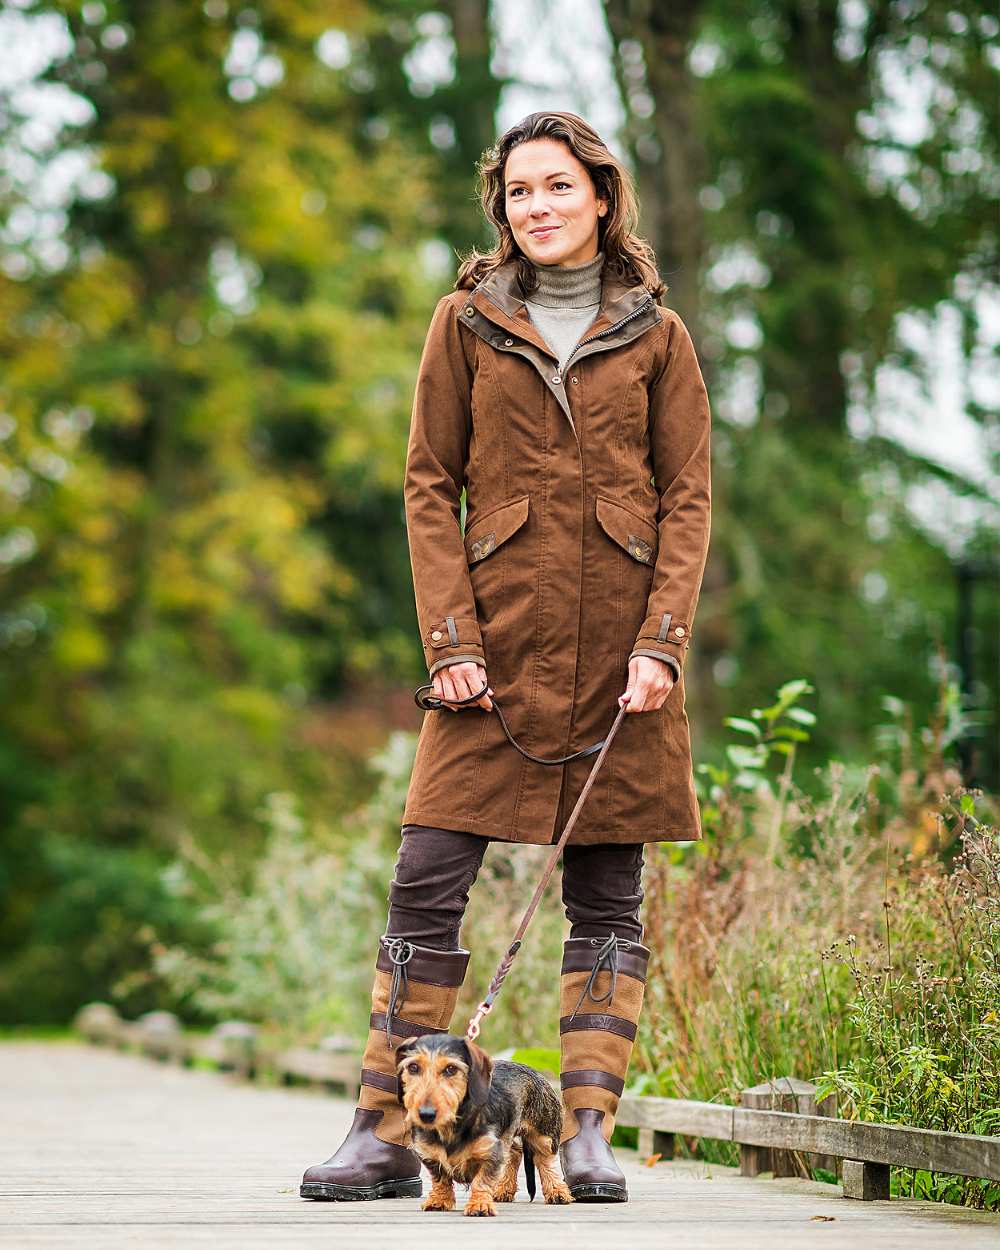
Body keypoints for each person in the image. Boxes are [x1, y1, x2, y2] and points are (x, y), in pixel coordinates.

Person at [301, 110, 712, 1206]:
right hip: (484, 659)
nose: (537, 206)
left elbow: (686, 501)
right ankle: (384, 1129)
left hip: (624, 664)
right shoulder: (464, 322)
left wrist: (662, 643)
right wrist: (450, 641)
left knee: (608, 899)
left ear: (602, 198)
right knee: (424, 881)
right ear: (503, 208)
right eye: (519, 191)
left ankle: (582, 1135)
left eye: (557, 187)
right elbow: (429, 481)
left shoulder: (661, 338)